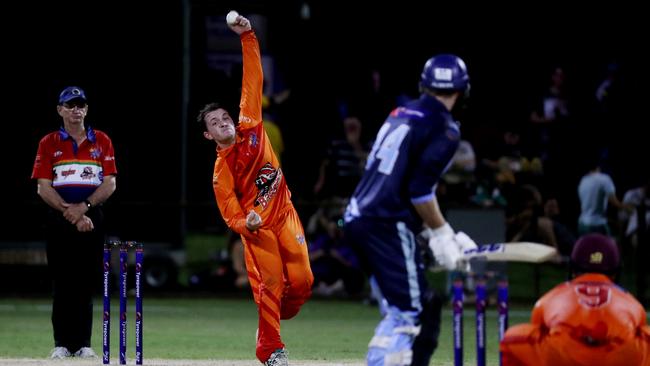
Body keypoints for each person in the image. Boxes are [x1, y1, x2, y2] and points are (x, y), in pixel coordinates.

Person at [343, 54, 478, 366]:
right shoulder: (445, 129)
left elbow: (397, 181)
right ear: (462, 90)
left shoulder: (400, 113)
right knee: (408, 312)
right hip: (386, 222)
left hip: (358, 217)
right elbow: (419, 192)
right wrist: (443, 234)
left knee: (416, 306)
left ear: (424, 85)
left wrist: (436, 234)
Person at [196, 14, 313, 366]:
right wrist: (245, 224)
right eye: (214, 123)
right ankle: (270, 349)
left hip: (286, 215)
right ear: (209, 136)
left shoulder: (252, 125)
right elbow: (229, 211)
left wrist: (247, 35)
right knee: (271, 285)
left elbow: (253, 78)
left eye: (224, 117)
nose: (222, 122)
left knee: (304, 281)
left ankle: (273, 319)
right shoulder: (221, 172)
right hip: (258, 229)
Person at [31, 86, 117, 359]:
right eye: (70, 105)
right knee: (62, 282)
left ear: (86, 109)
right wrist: (70, 213)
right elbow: (43, 188)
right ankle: (61, 344)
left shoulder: (102, 140)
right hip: (59, 219)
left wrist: (85, 208)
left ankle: (83, 344)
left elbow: (110, 183)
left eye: (80, 105)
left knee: (84, 281)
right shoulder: (48, 142)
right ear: (60, 110)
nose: (76, 110)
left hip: (93, 218)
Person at [500, 233, 650, 365]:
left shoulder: (556, 294)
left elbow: (537, 323)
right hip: (621, 356)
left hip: (563, 356)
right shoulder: (629, 299)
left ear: (573, 269)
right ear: (616, 271)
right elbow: (640, 322)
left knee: (511, 337)